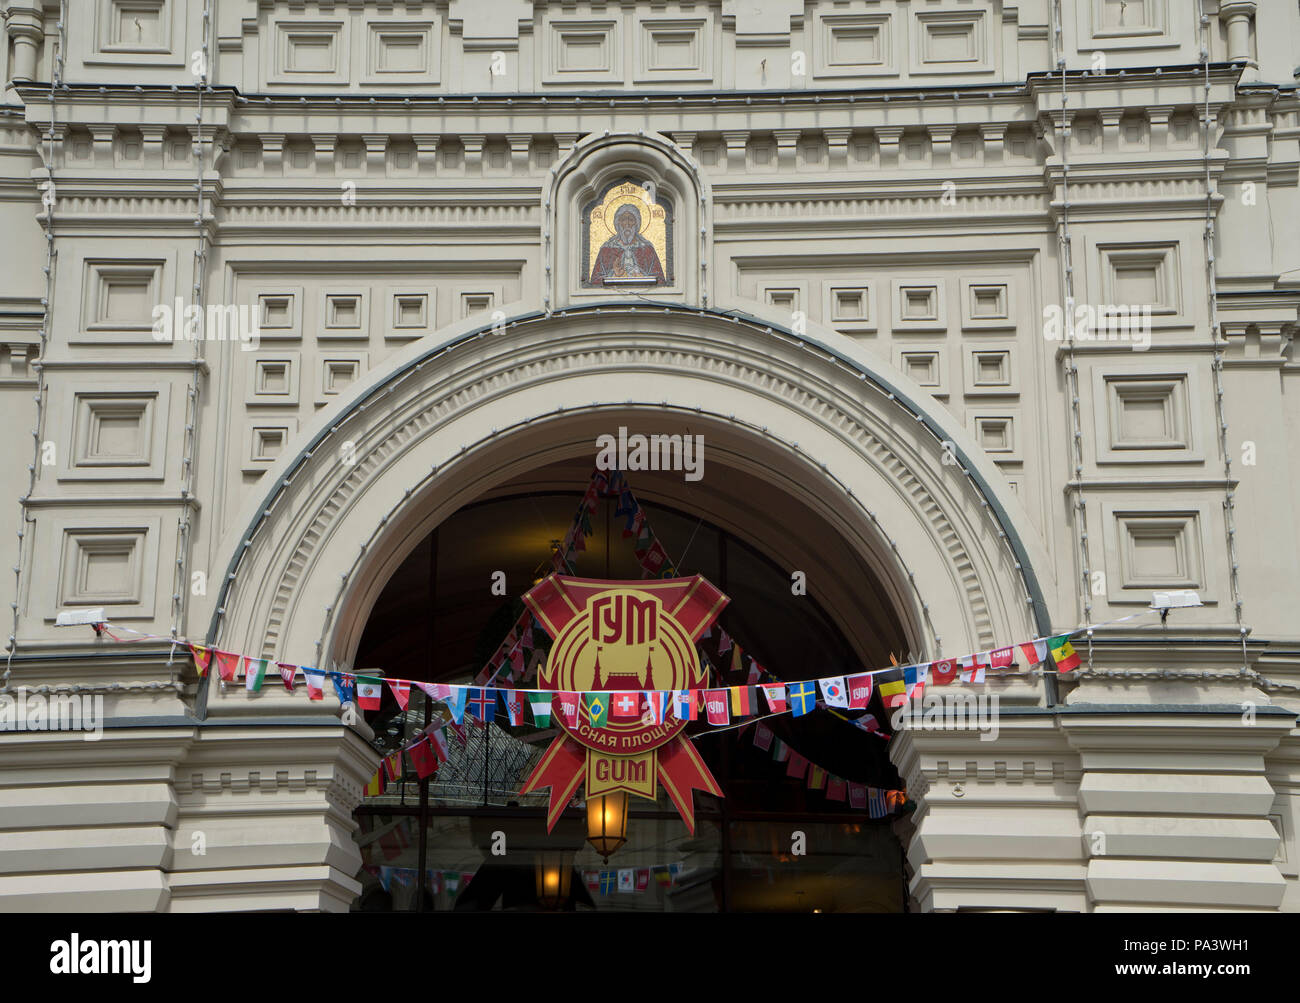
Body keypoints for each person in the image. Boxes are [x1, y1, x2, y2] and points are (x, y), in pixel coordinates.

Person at [590, 203, 666, 284]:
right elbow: (595, 281)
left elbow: (660, 280)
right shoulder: (607, 249)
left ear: (637, 223)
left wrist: (641, 276)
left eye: (631, 220)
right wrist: (614, 274)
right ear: (618, 223)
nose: (627, 224)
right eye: (623, 220)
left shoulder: (647, 249)